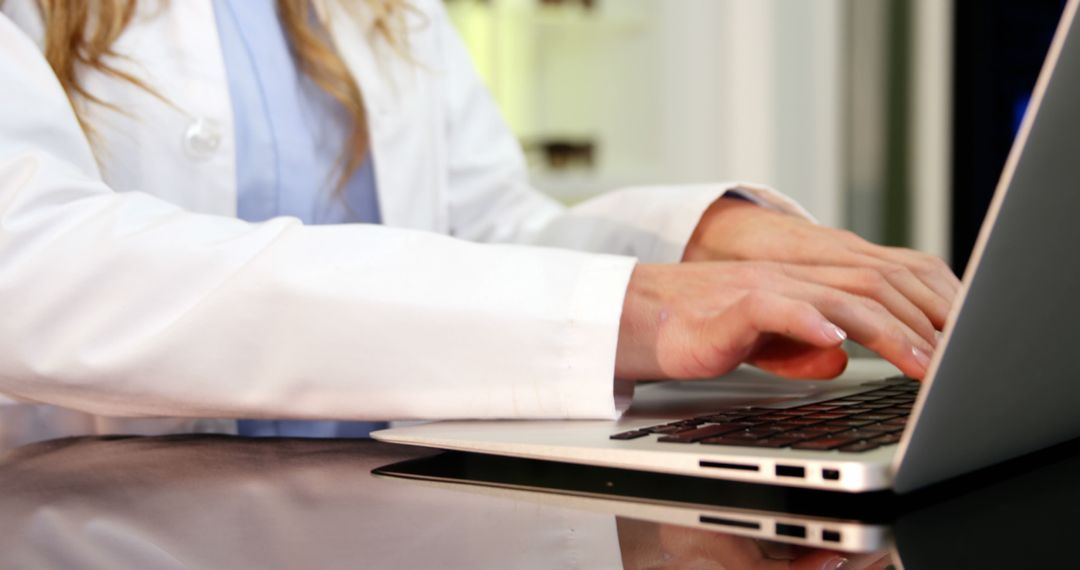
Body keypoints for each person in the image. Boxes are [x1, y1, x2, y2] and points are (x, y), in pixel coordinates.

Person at [0, 0, 959, 441]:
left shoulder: (382, 11)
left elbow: (481, 228)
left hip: (387, 517)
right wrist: (642, 308)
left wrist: (694, 241)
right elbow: (33, 269)